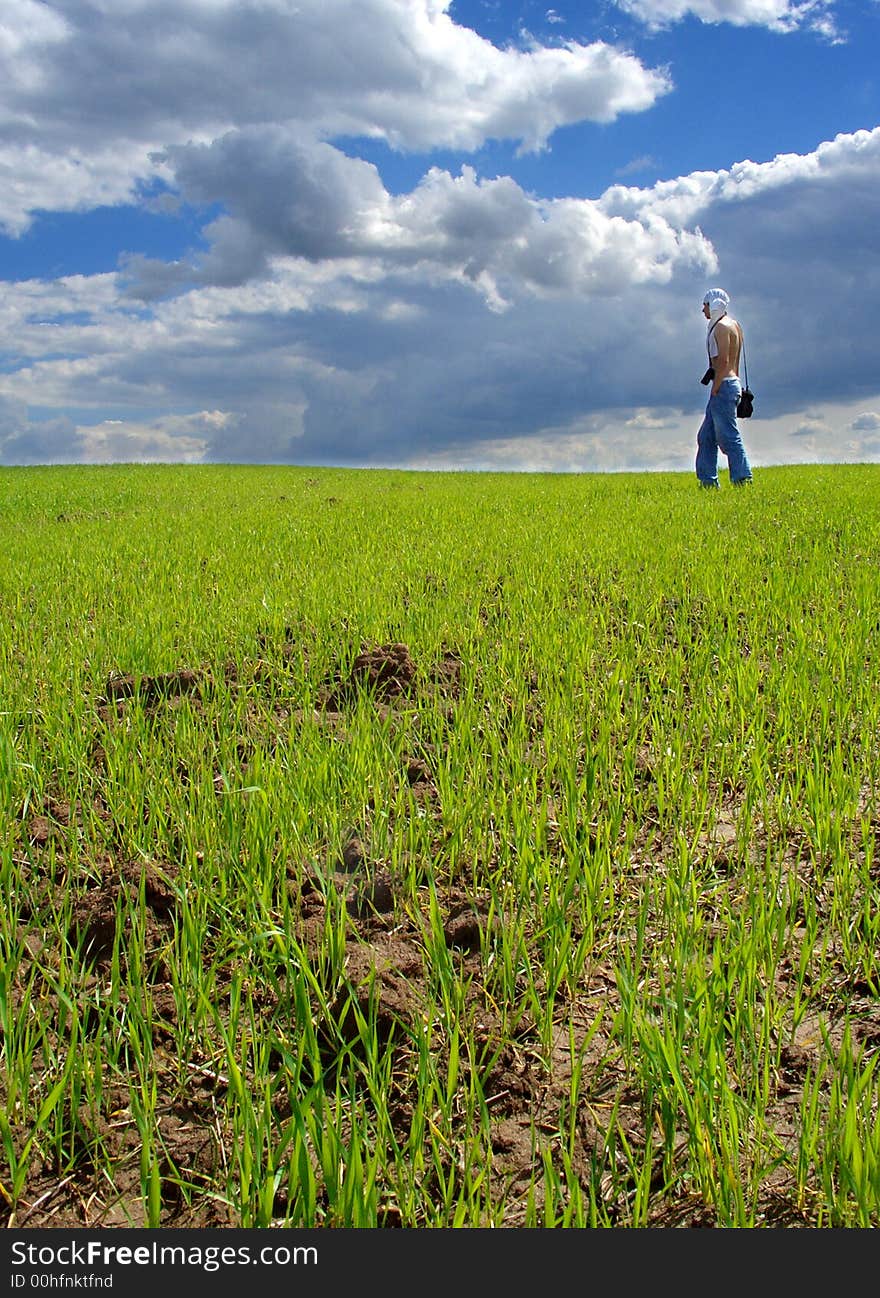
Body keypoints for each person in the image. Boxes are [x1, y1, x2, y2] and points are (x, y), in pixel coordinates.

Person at [695, 288, 753, 488]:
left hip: (723, 386)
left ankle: (743, 478)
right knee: (706, 436)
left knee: (728, 436)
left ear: (714, 303)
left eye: (705, 304)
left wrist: (716, 387)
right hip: (733, 383)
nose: (703, 310)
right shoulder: (735, 325)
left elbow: (723, 360)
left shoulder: (719, 328)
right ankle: (708, 482)